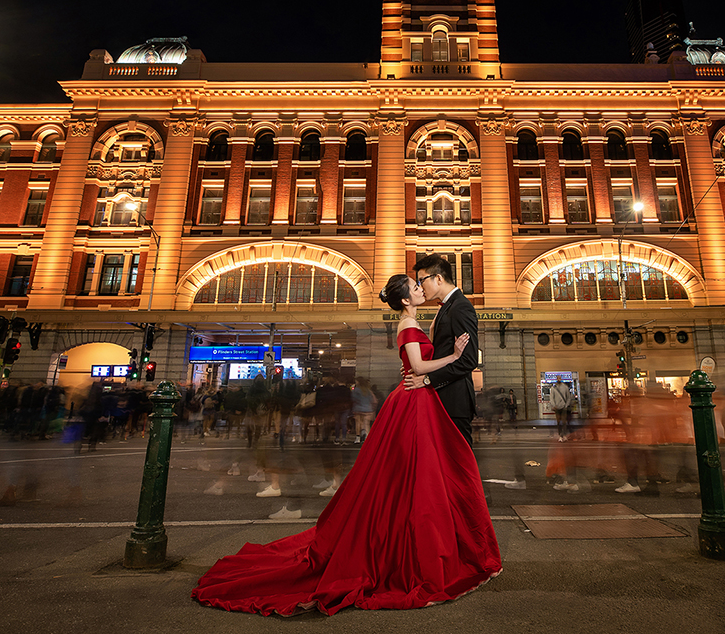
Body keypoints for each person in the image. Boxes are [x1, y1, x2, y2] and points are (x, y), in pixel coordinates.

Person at [192, 272, 502, 615]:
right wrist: (455, 357)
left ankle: (413, 535)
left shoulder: (415, 321)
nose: (421, 289)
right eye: (415, 287)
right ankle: (412, 544)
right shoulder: (408, 324)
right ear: (404, 299)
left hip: (418, 401)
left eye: (420, 284)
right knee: (415, 473)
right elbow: (417, 367)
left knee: (411, 474)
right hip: (414, 401)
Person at [401, 254, 480, 444]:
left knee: (460, 462)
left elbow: (468, 360)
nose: (420, 287)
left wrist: (427, 379)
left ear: (438, 278)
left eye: (422, 280)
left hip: (455, 401)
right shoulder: (447, 307)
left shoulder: (460, 307)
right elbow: (442, 352)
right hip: (443, 399)